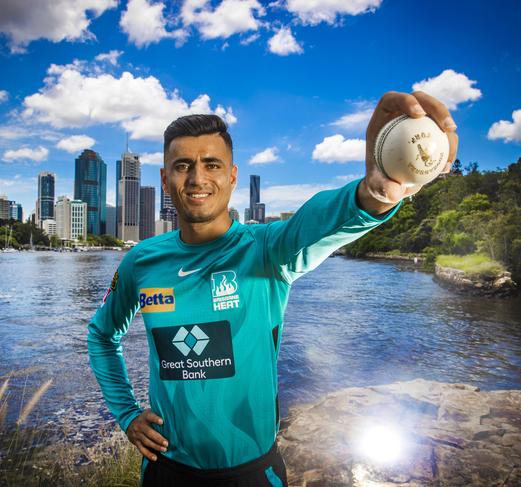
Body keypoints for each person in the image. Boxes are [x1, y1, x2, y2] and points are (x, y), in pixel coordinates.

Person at [87, 91, 458, 486]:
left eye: (212, 164)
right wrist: (127, 414)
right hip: (167, 471)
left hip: (251, 473)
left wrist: (377, 189)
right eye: (183, 166)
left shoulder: (268, 251)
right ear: (165, 178)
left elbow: (323, 220)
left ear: (232, 176)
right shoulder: (141, 262)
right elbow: (102, 334)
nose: (197, 178)